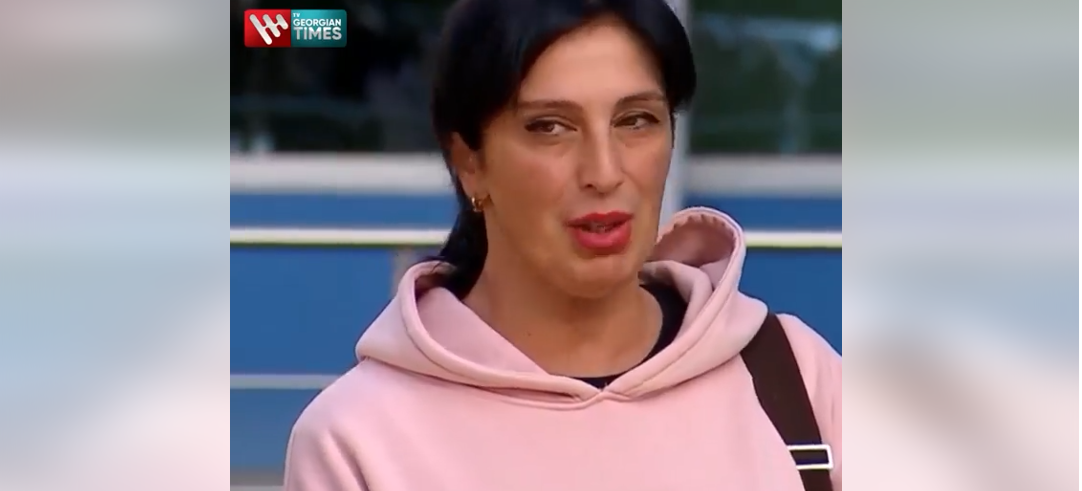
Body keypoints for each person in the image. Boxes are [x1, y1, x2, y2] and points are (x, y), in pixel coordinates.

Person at [283, 0, 841, 490]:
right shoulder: (358, 440)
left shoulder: (794, 377)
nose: (604, 171)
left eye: (636, 120)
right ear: (469, 161)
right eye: (550, 127)